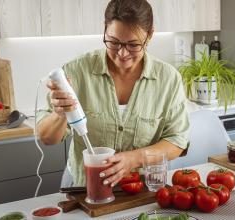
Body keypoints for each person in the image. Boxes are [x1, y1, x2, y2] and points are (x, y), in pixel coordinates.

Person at [37, 0, 189, 187]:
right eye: (114, 42)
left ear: (149, 35)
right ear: (105, 29)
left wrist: (134, 159)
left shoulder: (168, 79)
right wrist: (59, 114)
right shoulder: (76, 72)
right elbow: (47, 138)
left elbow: (177, 141)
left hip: (140, 189)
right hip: (84, 188)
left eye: (133, 45)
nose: (122, 54)